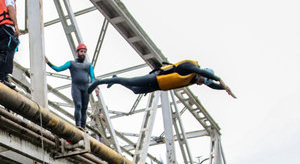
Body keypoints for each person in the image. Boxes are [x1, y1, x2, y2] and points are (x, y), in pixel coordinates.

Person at [87, 60, 236, 98]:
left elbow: (212, 85)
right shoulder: (190, 68)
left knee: (134, 91)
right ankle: (100, 81)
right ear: (202, 75)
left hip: (158, 86)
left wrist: (224, 89)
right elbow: (208, 75)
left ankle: (116, 79)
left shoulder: (196, 79)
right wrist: (222, 80)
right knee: (131, 82)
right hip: (156, 77)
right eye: (201, 81)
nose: (199, 84)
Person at [46, 44, 96, 129]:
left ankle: (83, 127)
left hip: (86, 88)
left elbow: (93, 78)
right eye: (81, 51)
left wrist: (96, 87)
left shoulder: (89, 65)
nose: (83, 53)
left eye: (84, 52)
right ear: (77, 52)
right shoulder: (71, 63)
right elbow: (58, 69)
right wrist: (48, 63)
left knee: (84, 108)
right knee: (78, 105)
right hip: (76, 87)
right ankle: (78, 125)